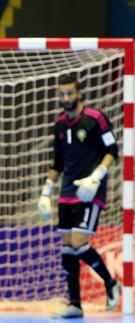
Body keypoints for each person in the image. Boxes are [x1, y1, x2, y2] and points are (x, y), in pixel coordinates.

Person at [37, 74, 121, 319]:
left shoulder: (95, 119)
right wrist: (45, 193)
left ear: (79, 94)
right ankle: (75, 303)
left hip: (90, 192)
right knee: (67, 251)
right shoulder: (60, 125)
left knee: (78, 243)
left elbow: (112, 150)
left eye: (70, 93)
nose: (66, 98)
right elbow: (58, 163)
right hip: (66, 195)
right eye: (61, 94)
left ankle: (110, 282)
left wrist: (96, 177)